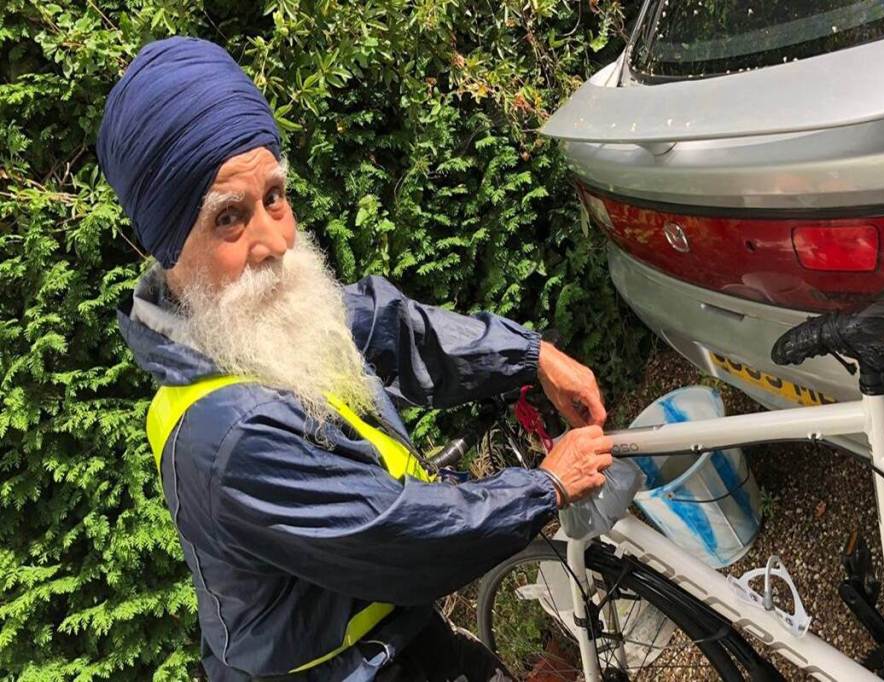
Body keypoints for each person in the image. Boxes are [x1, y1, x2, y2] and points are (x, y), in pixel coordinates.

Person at [99, 36, 613, 681]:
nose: (274, 241)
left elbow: (392, 326)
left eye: (275, 198)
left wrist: (531, 354)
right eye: (228, 217)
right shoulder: (227, 437)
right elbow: (398, 536)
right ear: (171, 245)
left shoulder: (250, 318)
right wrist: (544, 485)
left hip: (396, 631)